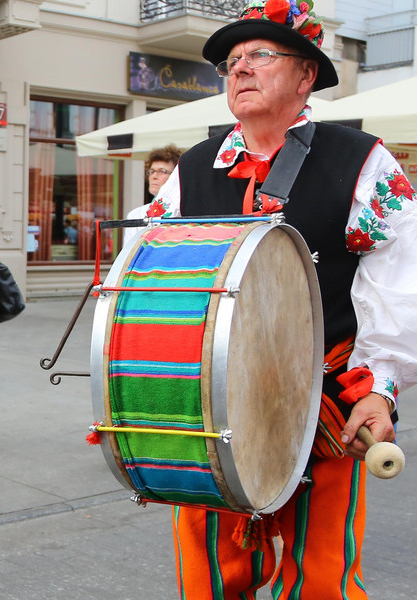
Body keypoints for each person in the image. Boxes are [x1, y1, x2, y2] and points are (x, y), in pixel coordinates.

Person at [143, 2, 416, 597]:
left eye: (260, 55)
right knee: (211, 572)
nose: (239, 68)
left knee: (321, 576)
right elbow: (148, 269)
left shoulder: (362, 160)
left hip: (322, 401)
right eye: (231, 61)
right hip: (211, 403)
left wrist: (380, 387)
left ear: (306, 75)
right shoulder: (193, 168)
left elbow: (399, 283)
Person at [124, 143, 183, 248]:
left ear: (175, 177)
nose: (154, 176)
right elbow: (128, 252)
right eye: (152, 171)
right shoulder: (135, 214)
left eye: (162, 171)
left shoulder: (182, 211)